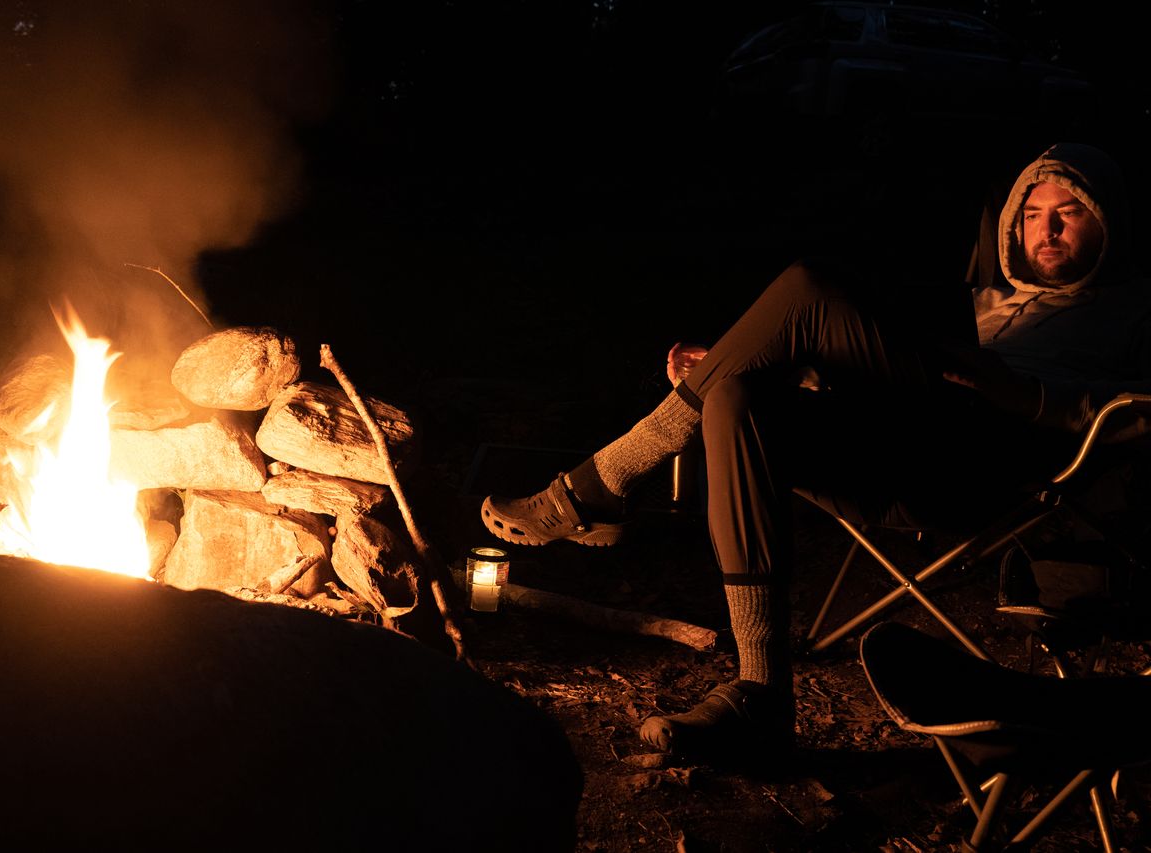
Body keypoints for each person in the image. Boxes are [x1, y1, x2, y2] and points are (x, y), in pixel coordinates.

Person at [479, 142, 1151, 762]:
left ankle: (603, 480)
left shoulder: (1133, 311)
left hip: (1003, 467)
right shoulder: (981, 303)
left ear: (1110, 225)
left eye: (1069, 213)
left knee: (807, 284)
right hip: (908, 445)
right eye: (1033, 213)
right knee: (736, 395)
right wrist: (745, 365)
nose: (1048, 229)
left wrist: (1030, 396)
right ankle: (762, 695)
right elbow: (879, 381)